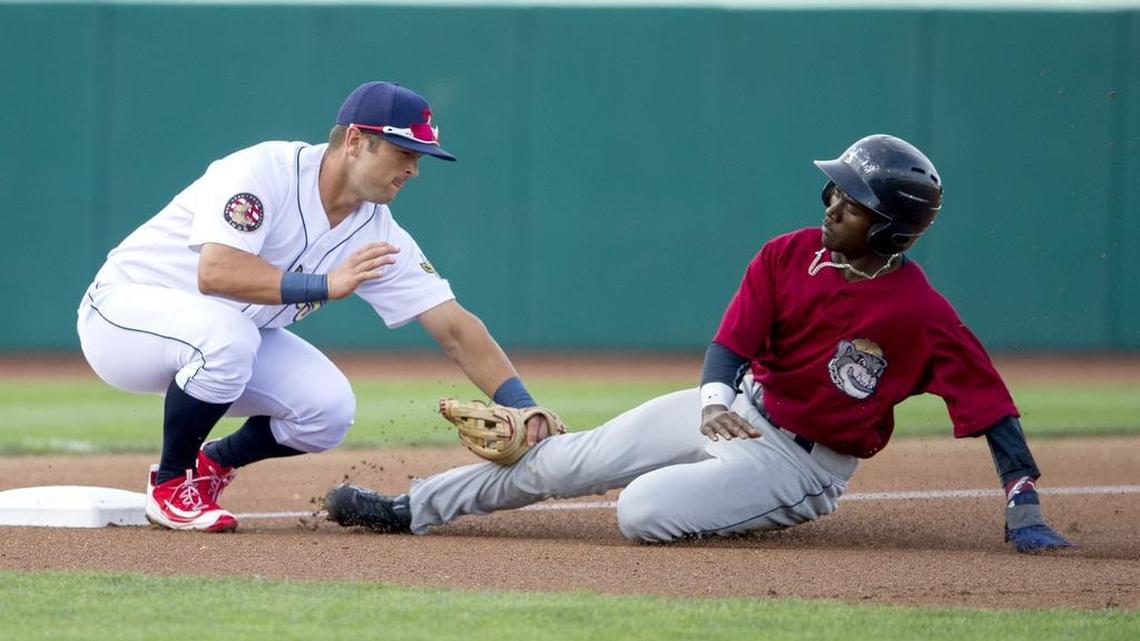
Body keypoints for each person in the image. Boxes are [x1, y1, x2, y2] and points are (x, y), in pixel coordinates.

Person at [324, 134, 1072, 553]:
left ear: (890, 228)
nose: (832, 203)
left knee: (641, 513)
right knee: (567, 459)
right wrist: (716, 398)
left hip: (801, 462)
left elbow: (991, 405)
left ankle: (759, 504)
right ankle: (411, 507)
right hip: (737, 408)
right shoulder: (788, 254)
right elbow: (731, 344)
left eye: (852, 201)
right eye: (836, 190)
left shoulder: (920, 312)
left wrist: (1024, 499)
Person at [76, 81, 554, 532]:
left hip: (219, 342)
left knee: (327, 410)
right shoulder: (264, 172)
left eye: (420, 157)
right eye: (404, 152)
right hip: (123, 317)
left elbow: (454, 328)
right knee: (230, 338)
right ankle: (169, 483)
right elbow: (216, 273)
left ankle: (211, 464)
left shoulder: (378, 232)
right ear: (354, 141)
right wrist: (325, 284)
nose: (414, 168)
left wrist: (525, 408)